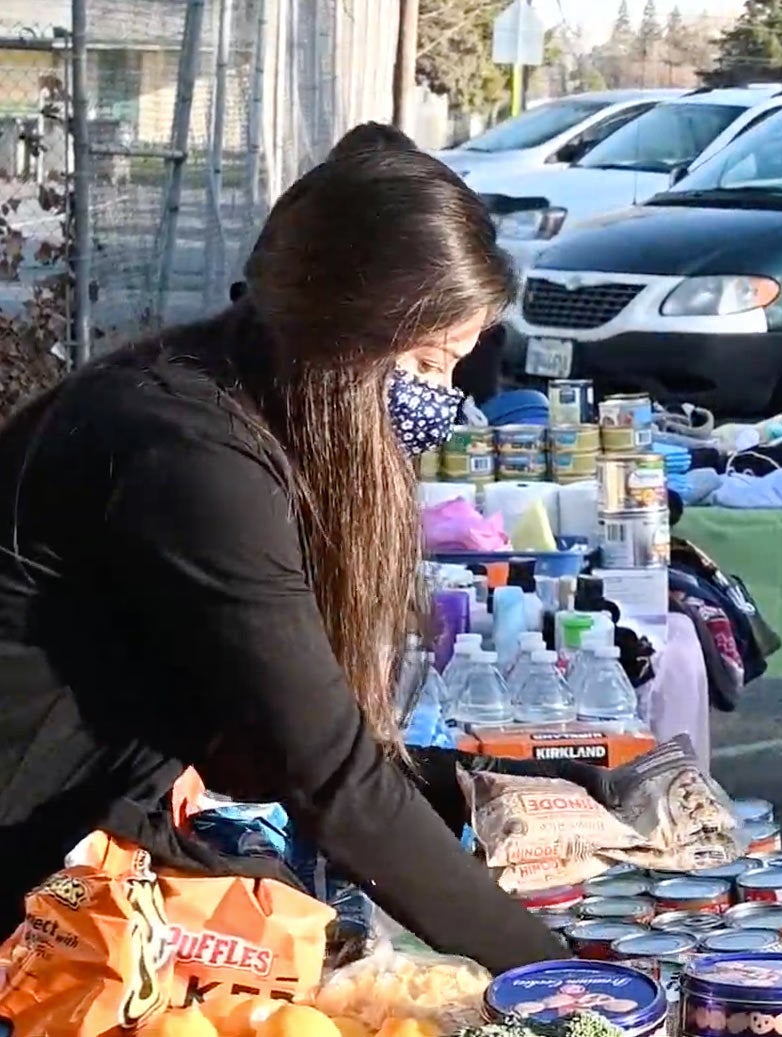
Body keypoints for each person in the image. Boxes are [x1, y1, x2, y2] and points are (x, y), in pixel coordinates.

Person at [0, 125, 608, 973]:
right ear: (344, 331)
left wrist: (473, 780)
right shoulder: (183, 451)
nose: (439, 399)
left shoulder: (238, 398)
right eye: (428, 363)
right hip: (35, 862)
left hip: (84, 834)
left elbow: (286, 729)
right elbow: (327, 775)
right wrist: (562, 980)